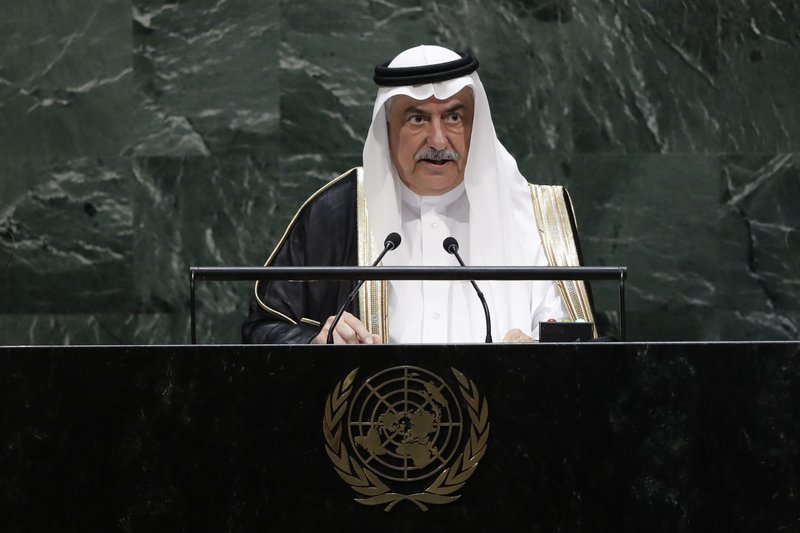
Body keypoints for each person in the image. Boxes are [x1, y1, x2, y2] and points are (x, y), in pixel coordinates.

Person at [242, 45, 594, 345]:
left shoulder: (535, 218)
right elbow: (262, 330)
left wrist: (542, 356)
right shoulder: (338, 213)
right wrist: (317, 341)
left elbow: (588, 350)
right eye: (417, 119)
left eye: (453, 117)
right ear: (387, 127)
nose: (438, 141)